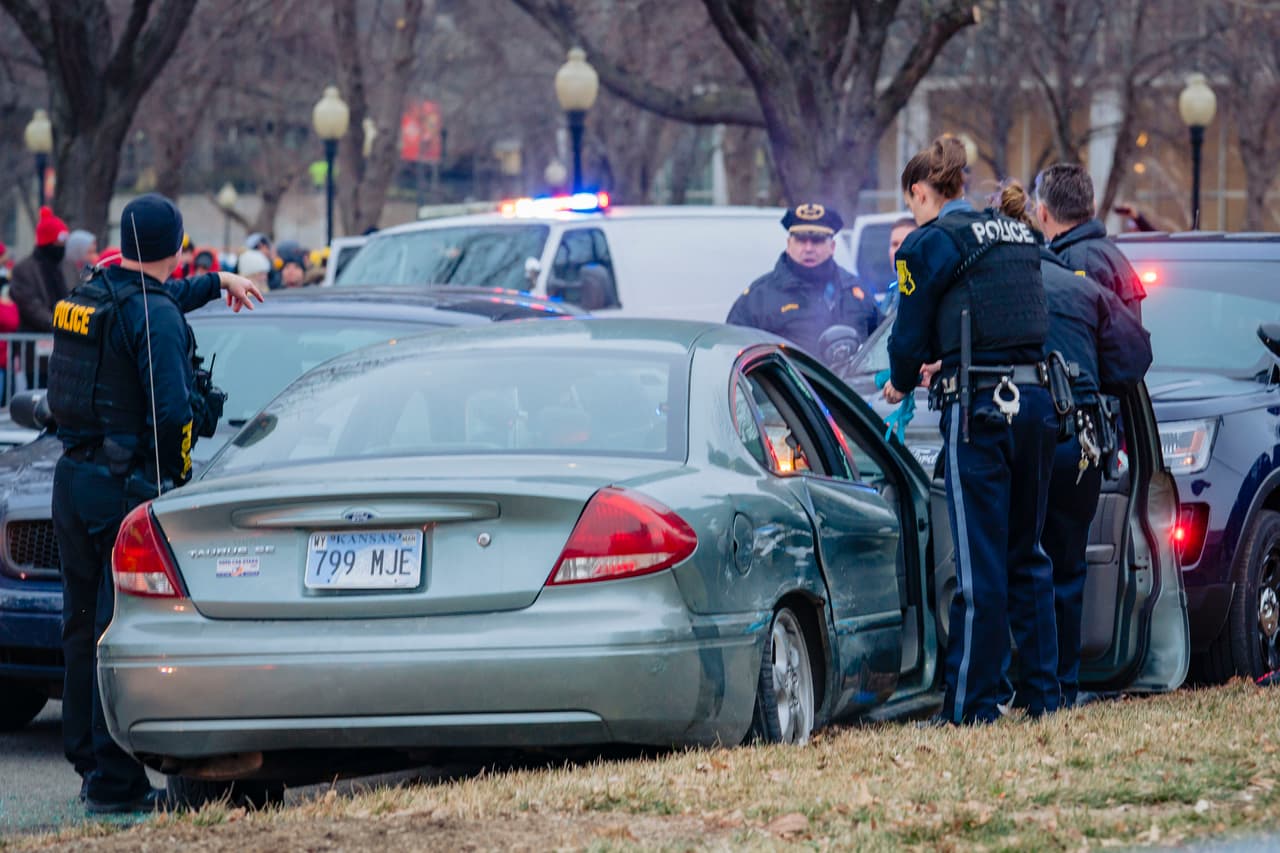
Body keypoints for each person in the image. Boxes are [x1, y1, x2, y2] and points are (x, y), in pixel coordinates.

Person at [47, 193, 263, 814]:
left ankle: (91, 767)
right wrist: (176, 479)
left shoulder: (93, 292)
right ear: (177, 241)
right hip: (125, 490)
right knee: (121, 633)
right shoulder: (154, 316)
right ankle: (116, 783)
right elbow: (172, 413)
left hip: (73, 480)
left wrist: (216, 281)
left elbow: (149, 301)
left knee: (83, 627)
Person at [884, 136, 1059, 724]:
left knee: (978, 564)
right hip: (1036, 403)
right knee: (1028, 555)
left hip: (980, 411)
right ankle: (1042, 697)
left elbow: (907, 336)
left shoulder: (928, 243)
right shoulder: (1014, 231)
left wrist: (901, 381)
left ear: (920, 191)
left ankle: (970, 707)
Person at [996, 180, 1152, 708]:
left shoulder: (999, 283)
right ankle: (1060, 685)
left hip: (1013, 435)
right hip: (1081, 440)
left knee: (1014, 557)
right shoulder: (1089, 283)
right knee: (1066, 561)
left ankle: (1019, 683)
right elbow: (1131, 362)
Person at [727, 203, 879, 364]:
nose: (808, 248)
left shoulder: (855, 291)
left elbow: (882, 344)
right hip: (786, 388)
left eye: (817, 241)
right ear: (788, 244)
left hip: (849, 387)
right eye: (800, 240)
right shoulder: (759, 297)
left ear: (832, 247)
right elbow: (731, 353)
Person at [1034, 164, 1145, 320]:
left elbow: (1075, 336)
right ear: (1093, 205)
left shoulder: (1074, 262)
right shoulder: (1111, 253)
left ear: (1042, 212)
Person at [10, 206, 71, 332]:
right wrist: (59, 324)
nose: (62, 247)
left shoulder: (64, 267)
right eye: (59, 242)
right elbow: (31, 307)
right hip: (34, 340)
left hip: (59, 337)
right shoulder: (23, 270)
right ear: (48, 242)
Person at [881, 216, 917, 314]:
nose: (898, 250)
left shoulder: (925, 295)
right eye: (895, 244)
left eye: (906, 243)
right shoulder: (892, 293)